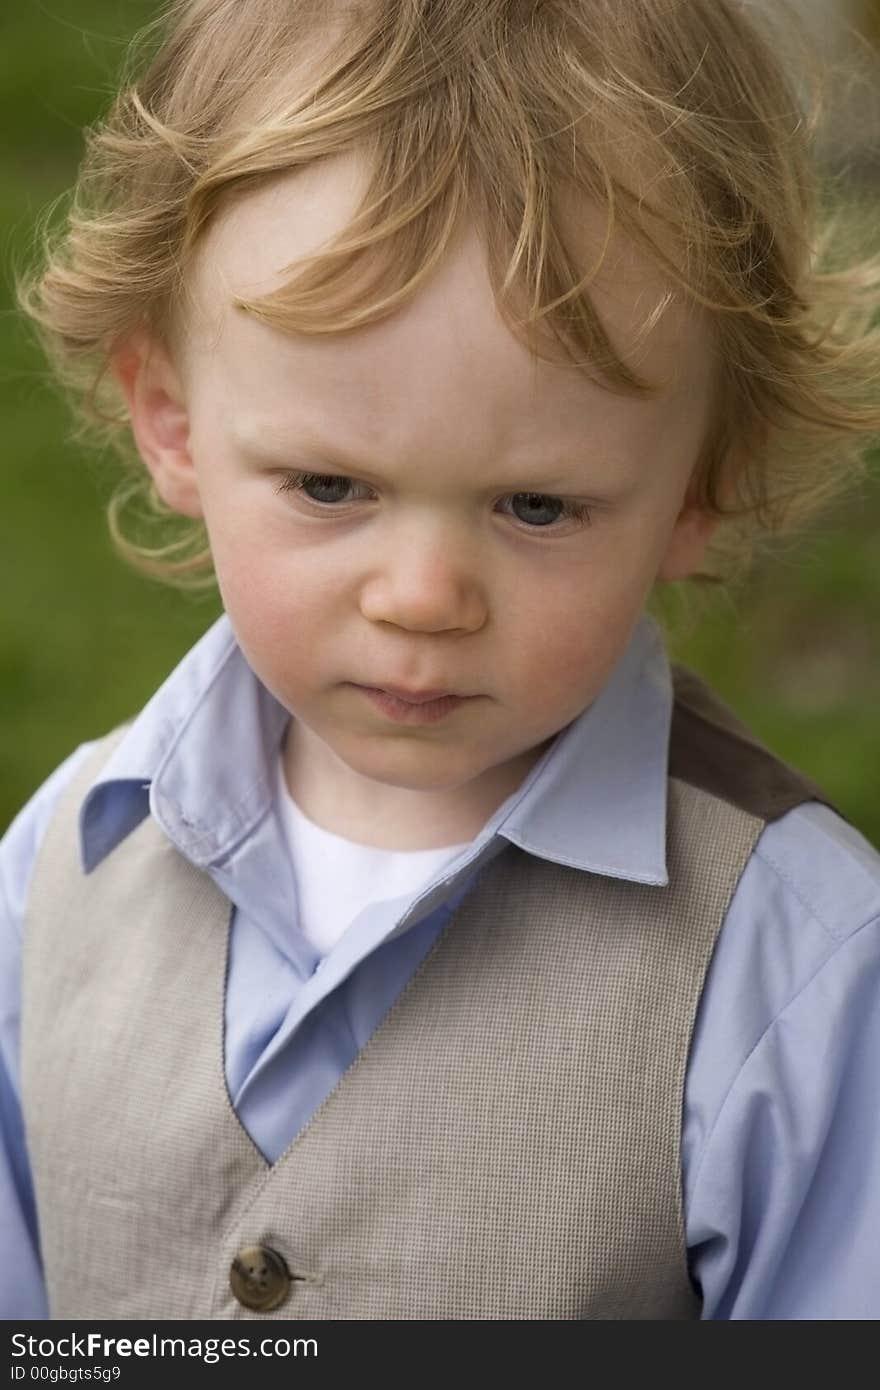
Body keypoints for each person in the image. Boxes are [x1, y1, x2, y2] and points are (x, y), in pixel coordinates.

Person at [3, 0, 880, 1321]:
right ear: (173, 423)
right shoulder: (55, 871)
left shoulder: (797, 966)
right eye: (330, 483)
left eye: (536, 507)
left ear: (702, 487)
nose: (422, 597)